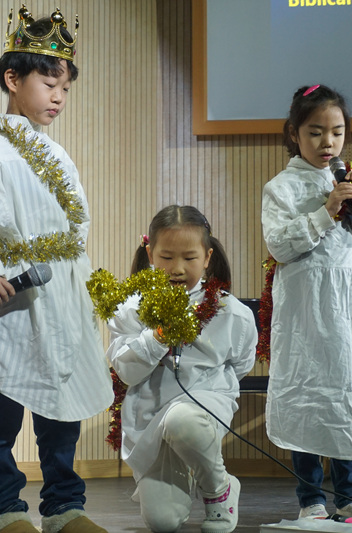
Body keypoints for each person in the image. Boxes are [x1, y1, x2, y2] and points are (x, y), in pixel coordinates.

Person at [0, 6, 112, 533]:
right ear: (13, 79)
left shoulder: (59, 157)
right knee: (0, 413)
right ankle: (5, 510)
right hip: (12, 298)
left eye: (65, 86)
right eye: (48, 82)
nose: (58, 96)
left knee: (60, 411)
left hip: (60, 296)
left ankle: (65, 506)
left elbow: (74, 231)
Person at [260, 84, 352, 520]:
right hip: (307, 311)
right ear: (294, 133)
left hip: (351, 307)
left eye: (337, 132)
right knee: (309, 397)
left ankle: (349, 497)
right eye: (316, 132)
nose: (328, 142)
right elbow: (280, 245)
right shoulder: (280, 187)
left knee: (347, 392)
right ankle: (311, 500)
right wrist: (326, 210)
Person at [105, 205, 257, 533]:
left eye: (189, 258)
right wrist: (159, 337)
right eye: (166, 257)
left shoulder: (232, 312)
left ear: (207, 257)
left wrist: (208, 390)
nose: (177, 268)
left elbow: (241, 365)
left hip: (202, 407)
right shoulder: (130, 310)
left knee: (183, 420)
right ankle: (189, 469)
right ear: (149, 254)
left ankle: (219, 491)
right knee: (162, 522)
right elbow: (127, 373)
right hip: (150, 417)